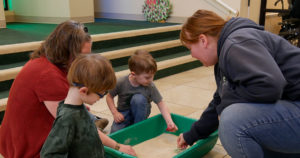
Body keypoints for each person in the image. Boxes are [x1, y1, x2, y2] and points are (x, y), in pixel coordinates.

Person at [0, 20, 136, 158]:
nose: (85, 61)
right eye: (82, 56)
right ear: (66, 51)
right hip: (25, 148)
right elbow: (76, 127)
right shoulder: (48, 76)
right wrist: (117, 146)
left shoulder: (49, 61)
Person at [176, 10, 300, 158]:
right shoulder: (225, 54)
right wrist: (191, 135)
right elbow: (219, 101)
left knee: (232, 122)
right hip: (292, 105)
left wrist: (225, 108)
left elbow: (270, 84)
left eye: (190, 48)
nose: (192, 55)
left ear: (203, 40)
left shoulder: (235, 43)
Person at [40, 54, 115, 157]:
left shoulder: (78, 107)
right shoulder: (67, 118)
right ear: (83, 91)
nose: (101, 97)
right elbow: (49, 154)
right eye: (101, 93)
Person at [106, 50, 178, 133]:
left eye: (152, 76)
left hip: (141, 112)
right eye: (147, 77)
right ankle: (132, 124)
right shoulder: (121, 82)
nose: (151, 80)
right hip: (124, 113)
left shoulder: (150, 86)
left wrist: (169, 122)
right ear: (133, 74)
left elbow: (161, 104)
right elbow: (109, 97)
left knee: (138, 99)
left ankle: (139, 127)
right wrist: (115, 113)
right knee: (115, 132)